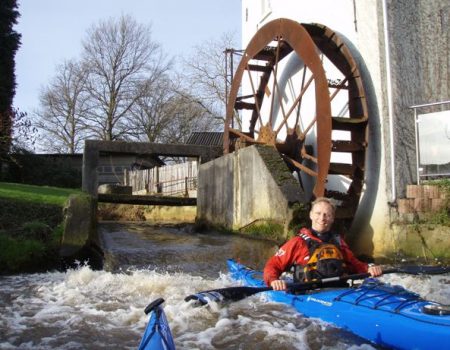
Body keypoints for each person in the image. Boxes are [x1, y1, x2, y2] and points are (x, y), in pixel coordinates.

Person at [264, 197, 383, 290]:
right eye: (318, 213)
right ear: (311, 215)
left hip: (337, 291)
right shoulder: (298, 242)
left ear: (332, 218)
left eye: (327, 215)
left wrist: (369, 268)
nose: (322, 218)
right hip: (307, 293)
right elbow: (274, 264)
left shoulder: (338, 241)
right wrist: (273, 280)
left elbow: (354, 264)